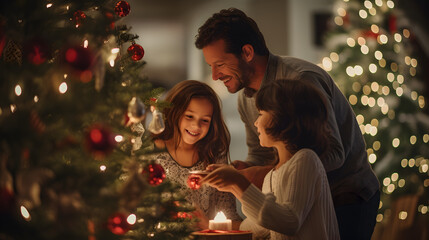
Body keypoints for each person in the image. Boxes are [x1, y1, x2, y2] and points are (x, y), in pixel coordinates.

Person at [195, 8, 380, 239]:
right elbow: (262, 157)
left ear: (247, 52)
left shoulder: (301, 81)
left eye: (220, 64)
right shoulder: (246, 97)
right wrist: (243, 171)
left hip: (346, 198)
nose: (214, 75)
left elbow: (333, 153)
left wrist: (260, 175)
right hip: (295, 204)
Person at [201, 79, 340, 239]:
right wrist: (231, 187)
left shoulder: (306, 159)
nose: (256, 122)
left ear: (283, 118)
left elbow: (289, 222)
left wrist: (239, 183)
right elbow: (260, 226)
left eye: (261, 114)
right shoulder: (272, 175)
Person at [151, 80, 241, 230]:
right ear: (175, 113)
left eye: (204, 120)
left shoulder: (214, 157)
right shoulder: (152, 154)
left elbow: (229, 215)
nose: (196, 126)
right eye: (189, 116)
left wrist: (206, 224)